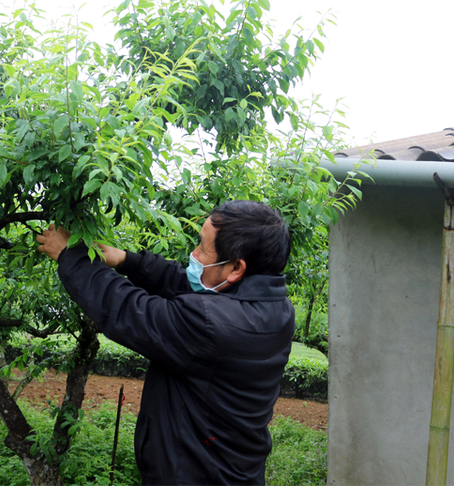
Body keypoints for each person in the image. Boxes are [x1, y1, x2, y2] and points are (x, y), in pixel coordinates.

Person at [35, 200, 294, 485]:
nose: (193, 255)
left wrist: (71, 258)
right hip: (232, 471)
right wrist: (127, 261)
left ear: (235, 268)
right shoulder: (275, 307)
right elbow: (189, 286)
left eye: (203, 248)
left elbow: (126, 309)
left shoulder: (211, 325)